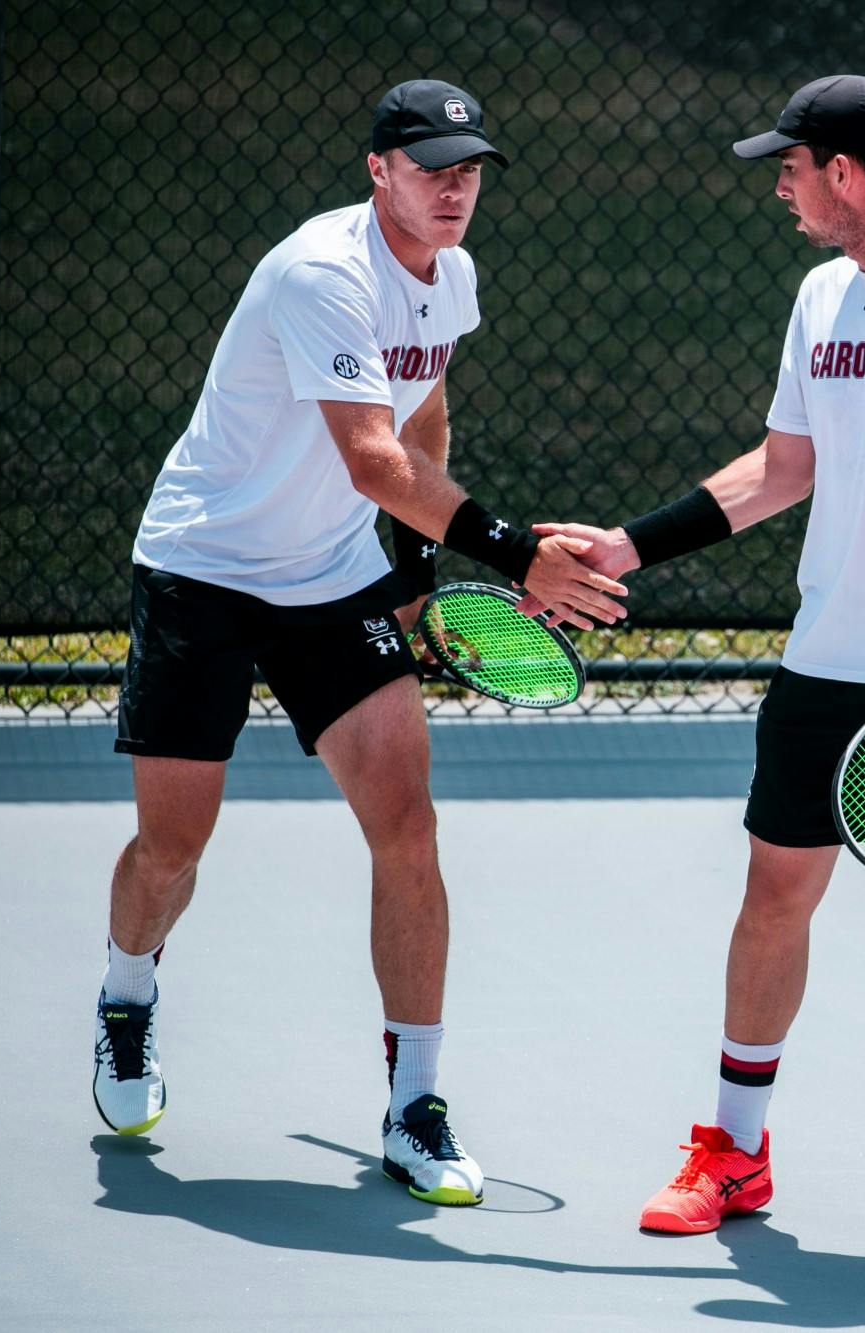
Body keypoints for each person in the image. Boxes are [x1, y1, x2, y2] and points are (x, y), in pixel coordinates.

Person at [535, 74, 865, 1288]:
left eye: (789, 167)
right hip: (825, 661)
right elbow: (784, 467)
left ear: (843, 170)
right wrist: (631, 544)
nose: (777, 187)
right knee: (771, 895)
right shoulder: (820, 294)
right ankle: (734, 1152)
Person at [91, 80, 627, 1208]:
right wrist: (515, 551)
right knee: (173, 848)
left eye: (469, 168)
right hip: (205, 566)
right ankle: (127, 994)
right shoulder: (318, 274)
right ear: (377, 168)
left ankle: (414, 1102)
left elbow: (423, 420)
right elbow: (373, 461)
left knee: (407, 824)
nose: (455, 188)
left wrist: (418, 578)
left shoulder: (452, 275)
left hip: (333, 578)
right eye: (431, 166)